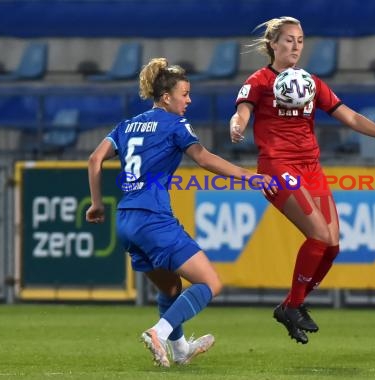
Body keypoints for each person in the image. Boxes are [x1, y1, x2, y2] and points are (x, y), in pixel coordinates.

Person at [229, 17, 375, 344]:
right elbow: (243, 110)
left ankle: (291, 305)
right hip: (277, 166)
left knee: (332, 245)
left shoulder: (310, 83)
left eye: (300, 41)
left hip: (310, 167)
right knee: (318, 235)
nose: (295, 46)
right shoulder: (260, 80)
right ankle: (293, 306)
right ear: (273, 44)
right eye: (288, 40)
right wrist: (237, 125)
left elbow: (349, 116)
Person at [86, 57, 277, 367]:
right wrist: (251, 177)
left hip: (126, 221)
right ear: (166, 97)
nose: (189, 100)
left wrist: (96, 204)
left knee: (172, 288)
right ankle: (158, 332)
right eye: (184, 94)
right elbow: (204, 158)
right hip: (153, 218)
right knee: (210, 283)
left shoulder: (126, 125)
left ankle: (180, 351)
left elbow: (95, 160)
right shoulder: (175, 124)